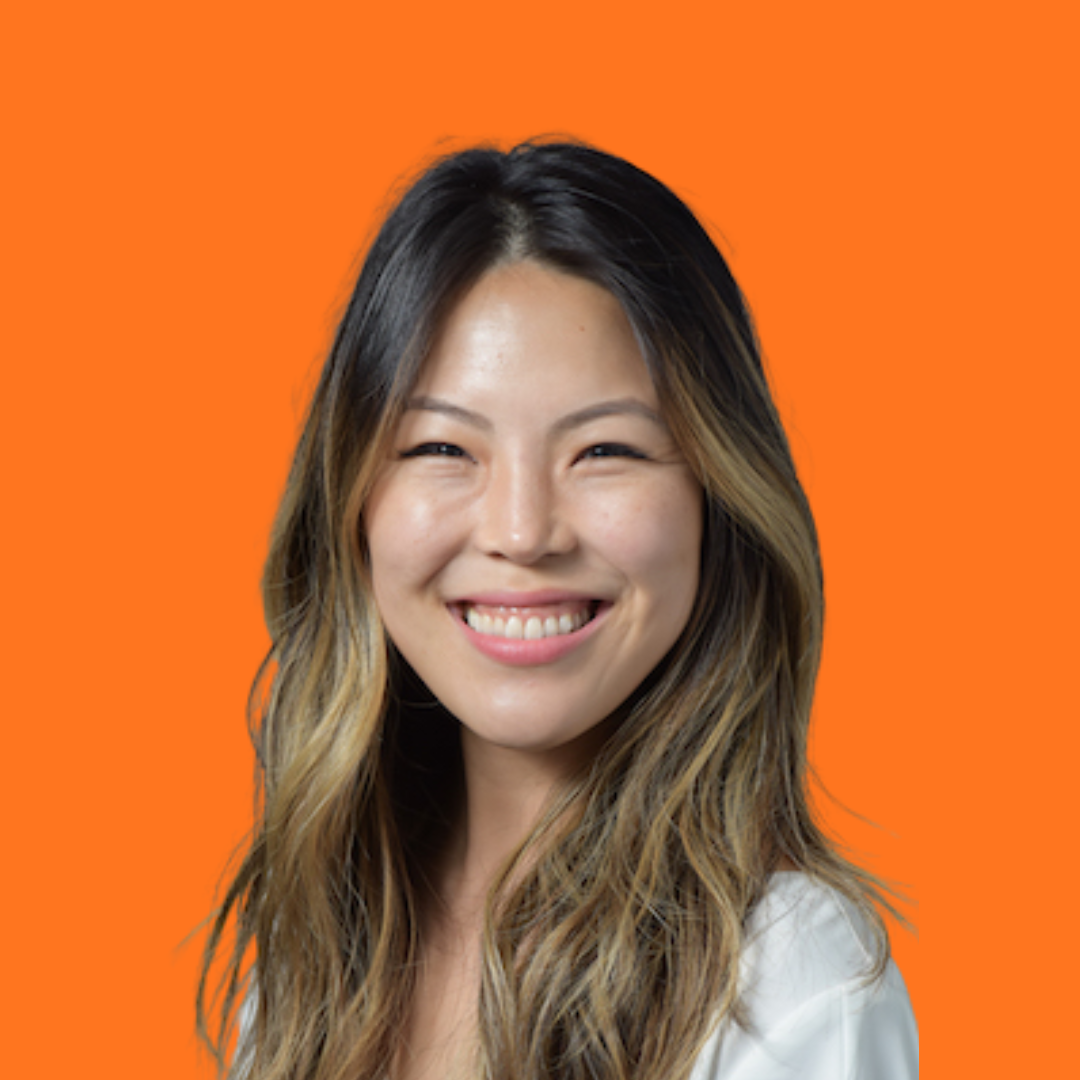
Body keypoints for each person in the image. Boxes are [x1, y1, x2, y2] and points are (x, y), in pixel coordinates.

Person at [198, 139, 918, 1079]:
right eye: (442, 449)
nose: (522, 531)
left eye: (605, 451)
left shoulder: (787, 983)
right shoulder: (311, 963)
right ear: (353, 504)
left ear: (718, 498)